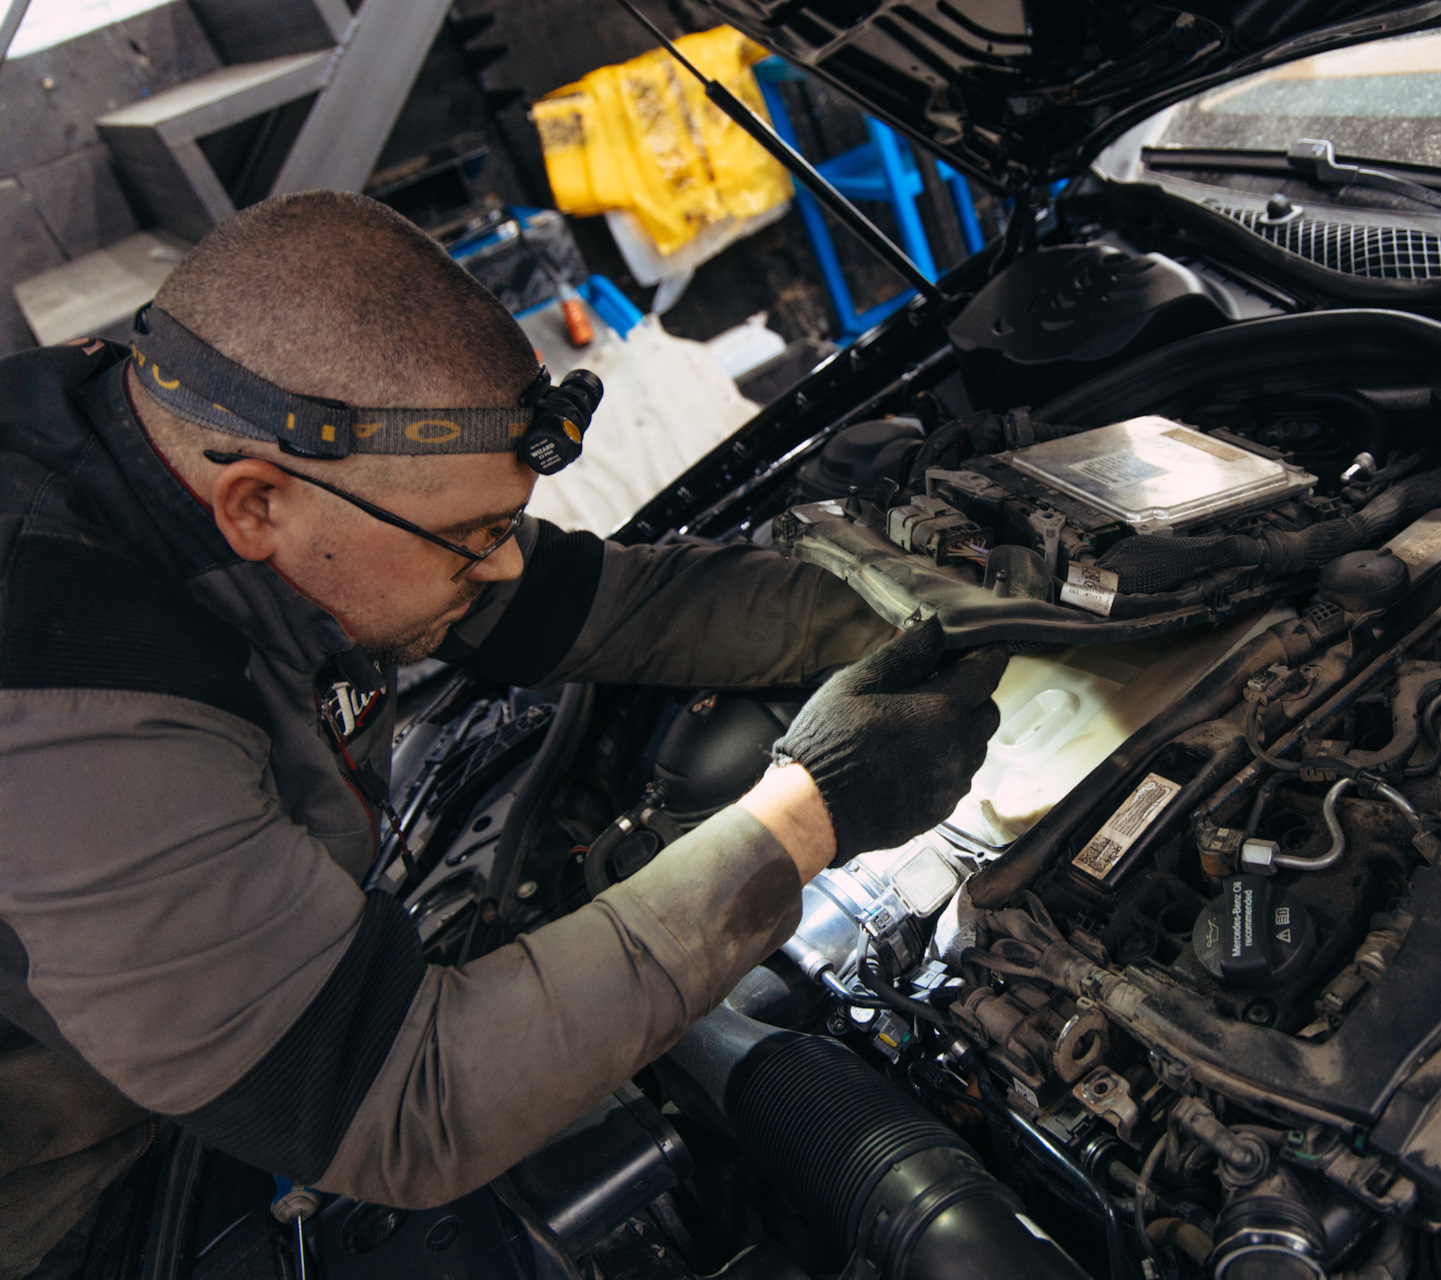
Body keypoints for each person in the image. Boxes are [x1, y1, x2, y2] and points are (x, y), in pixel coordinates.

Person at [0, 191, 1006, 1278]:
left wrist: (935, 611)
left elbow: (596, 604)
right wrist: (813, 811)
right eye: (472, 536)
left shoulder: (204, 436)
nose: (507, 561)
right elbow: (405, 1103)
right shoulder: (69, 706)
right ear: (256, 507)